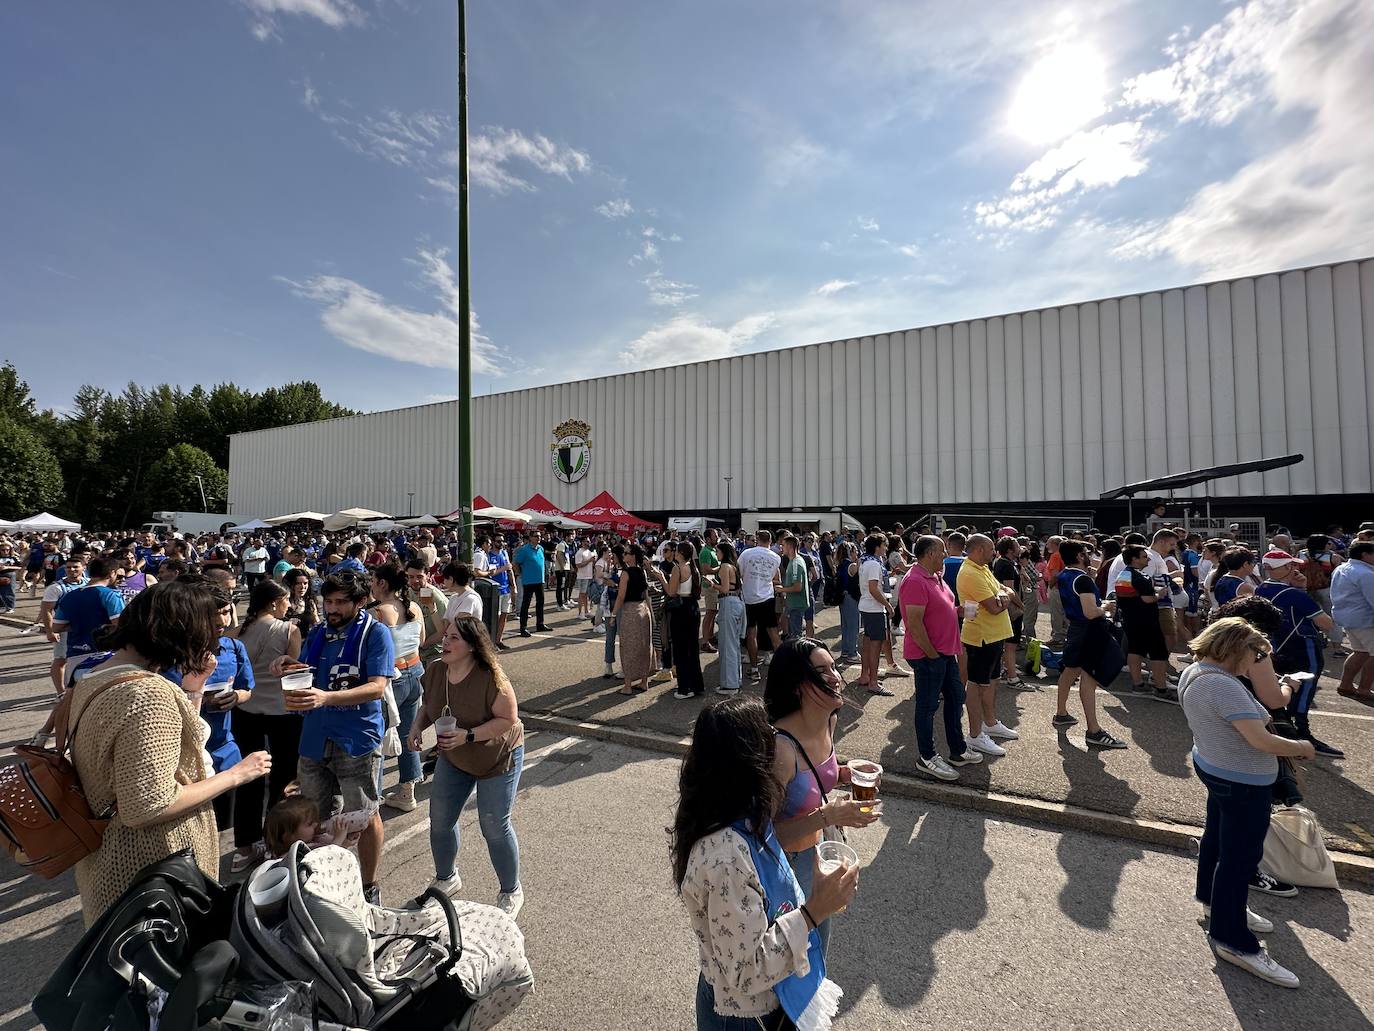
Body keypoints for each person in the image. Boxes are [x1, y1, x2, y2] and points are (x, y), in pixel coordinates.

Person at [68, 579, 271, 924]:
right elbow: (150, 805)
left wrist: (194, 689)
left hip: (115, 865)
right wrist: (237, 774)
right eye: (207, 632)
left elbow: (163, 749)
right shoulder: (148, 694)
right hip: (154, 873)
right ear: (180, 632)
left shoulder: (97, 676)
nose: (212, 644)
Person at [674, 696, 854, 1030]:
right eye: (767, 737)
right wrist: (815, 911)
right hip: (745, 1017)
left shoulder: (742, 811)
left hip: (770, 999)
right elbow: (747, 971)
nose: (777, 742)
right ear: (750, 758)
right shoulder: (724, 857)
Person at [1179, 617, 1316, 989]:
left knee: (1218, 839)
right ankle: (1233, 941)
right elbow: (1263, 740)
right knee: (1240, 859)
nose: (1258, 661)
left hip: (1214, 766)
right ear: (1235, 648)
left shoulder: (1195, 670)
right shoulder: (1223, 686)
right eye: (1257, 654)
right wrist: (1302, 748)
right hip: (1241, 778)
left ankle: (1213, 902)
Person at [271, 569, 394, 905]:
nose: (332, 609)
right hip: (313, 737)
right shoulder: (320, 632)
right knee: (314, 817)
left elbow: (377, 686)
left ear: (361, 602)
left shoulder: (376, 633)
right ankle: (324, 880)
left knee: (364, 814)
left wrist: (325, 698)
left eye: (341, 602)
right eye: (328, 601)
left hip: (355, 740)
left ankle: (369, 885)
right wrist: (289, 664)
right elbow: (309, 672)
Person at [765, 639, 876, 959]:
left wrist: (846, 772)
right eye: (822, 671)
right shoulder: (781, 749)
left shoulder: (829, 720)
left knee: (817, 954)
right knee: (787, 959)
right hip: (783, 868)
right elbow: (765, 835)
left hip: (819, 854)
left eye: (834, 667)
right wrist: (830, 815)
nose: (836, 676)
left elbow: (817, 778)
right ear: (798, 686)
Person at [408, 615, 525, 917]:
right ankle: (447, 878)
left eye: (454, 638)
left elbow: (508, 719)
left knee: (493, 824)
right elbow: (428, 706)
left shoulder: (491, 676)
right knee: (441, 819)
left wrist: (468, 735)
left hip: (497, 758)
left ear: (472, 646)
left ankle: (511, 890)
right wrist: (417, 727)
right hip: (455, 756)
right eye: (445, 635)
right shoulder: (436, 671)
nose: (445, 641)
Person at [233, 579, 304, 871]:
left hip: (245, 708)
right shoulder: (289, 629)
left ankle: (245, 846)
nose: (288, 605)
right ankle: (275, 841)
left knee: (248, 777)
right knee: (284, 776)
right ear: (275, 603)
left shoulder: (237, 630)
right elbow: (295, 671)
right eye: (285, 600)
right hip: (282, 710)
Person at [901, 535, 981, 780]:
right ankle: (927, 757)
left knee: (956, 697)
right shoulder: (914, 580)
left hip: (944, 654)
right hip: (929, 656)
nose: (946, 555)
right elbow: (914, 624)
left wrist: (958, 611)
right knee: (927, 707)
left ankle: (957, 750)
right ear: (930, 553)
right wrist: (933, 654)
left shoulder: (935, 577)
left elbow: (941, 609)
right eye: (943, 551)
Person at [1254, 550, 1341, 758]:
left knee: (1280, 687)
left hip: (1276, 647)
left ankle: (1281, 729)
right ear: (1285, 568)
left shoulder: (1260, 588)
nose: (1296, 569)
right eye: (1291, 566)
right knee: (1304, 690)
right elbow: (1326, 623)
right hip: (1303, 646)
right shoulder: (1293, 594)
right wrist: (1302, 591)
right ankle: (1301, 734)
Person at [1051, 541, 1129, 748]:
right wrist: (1105, 606)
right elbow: (1090, 611)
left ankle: (1061, 713)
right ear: (1078, 556)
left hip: (1077, 629)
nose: (1089, 555)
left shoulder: (1065, 575)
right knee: (1089, 678)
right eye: (1086, 553)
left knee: (1069, 672)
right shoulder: (1082, 579)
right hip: (1090, 630)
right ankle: (1093, 730)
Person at [372, 563, 427, 813]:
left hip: (391, 678)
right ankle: (407, 791)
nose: (371, 585)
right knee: (409, 733)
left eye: (373, 580)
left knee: (380, 736)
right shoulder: (414, 606)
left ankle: (374, 794)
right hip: (415, 671)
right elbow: (422, 639)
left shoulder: (378, 613)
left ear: (382, 583)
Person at [957, 535, 1018, 754]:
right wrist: (1005, 597)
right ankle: (974, 735)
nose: (995, 553)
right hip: (981, 637)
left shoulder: (982, 568)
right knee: (976, 685)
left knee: (992, 680)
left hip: (994, 635)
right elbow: (994, 606)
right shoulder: (970, 572)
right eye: (992, 549)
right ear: (981, 549)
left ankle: (990, 723)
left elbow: (1003, 590)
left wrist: (1004, 595)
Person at [1115, 545, 1173, 700]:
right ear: (1134, 559)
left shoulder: (1124, 574)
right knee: (1158, 653)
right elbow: (1147, 599)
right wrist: (1159, 594)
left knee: (1135, 650)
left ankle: (1138, 684)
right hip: (1146, 620)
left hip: (1130, 619)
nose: (1147, 558)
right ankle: (1161, 689)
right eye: (1144, 556)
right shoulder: (1139, 577)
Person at [1331, 540, 1374, 703]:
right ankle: (1364, 688)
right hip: (1365, 619)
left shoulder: (1341, 568)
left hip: (1347, 617)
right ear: (1365, 555)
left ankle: (1346, 684)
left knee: (1360, 652)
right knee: (1371, 654)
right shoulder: (1366, 574)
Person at [738, 530, 783, 680]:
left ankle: (754, 668)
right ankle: (781, 669)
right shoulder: (776, 557)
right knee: (773, 633)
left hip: (749, 598)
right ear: (770, 541)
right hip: (767, 597)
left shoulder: (746, 554)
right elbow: (775, 577)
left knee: (752, 633)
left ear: (757, 539)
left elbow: (740, 574)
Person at [614, 544, 657, 694]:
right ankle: (644, 682)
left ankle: (627, 685)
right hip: (644, 610)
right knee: (644, 646)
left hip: (630, 611)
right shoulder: (642, 571)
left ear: (632, 556)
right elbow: (646, 594)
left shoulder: (626, 573)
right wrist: (651, 613)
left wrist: (613, 614)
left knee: (628, 647)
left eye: (626, 553)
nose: (623, 555)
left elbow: (621, 596)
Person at [856, 534, 894, 695]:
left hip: (867, 606)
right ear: (877, 547)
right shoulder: (873, 564)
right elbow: (873, 589)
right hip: (874, 608)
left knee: (868, 642)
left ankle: (865, 676)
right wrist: (888, 605)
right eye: (884, 545)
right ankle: (873, 682)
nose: (886, 549)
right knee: (875, 646)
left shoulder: (866, 561)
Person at [669, 540, 706, 699]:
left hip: (681, 608)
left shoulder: (678, 568)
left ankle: (684, 688)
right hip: (693, 608)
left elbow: (671, 592)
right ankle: (696, 685)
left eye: (676, 550)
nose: (674, 553)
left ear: (682, 553)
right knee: (692, 648)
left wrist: (660, 577)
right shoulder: (693, 567)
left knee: (681, 649)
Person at [991, 536, 1026, 689]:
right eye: (1017, 545)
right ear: (1010, 550)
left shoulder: (1004, 562)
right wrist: (1021, 605)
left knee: (1006, 643)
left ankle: (1005, 670)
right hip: (1011, 610)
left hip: (1004, 608)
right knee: (1011, 644)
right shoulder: (1006, 565)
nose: (1020, 547)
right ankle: (1013, 678)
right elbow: (1009, 590)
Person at [710, 541, 745, 694]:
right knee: (733, 644)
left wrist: (712, 584)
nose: (716, 554)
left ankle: (730, 684)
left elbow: (724, 588)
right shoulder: (733, 567)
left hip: (728, 603)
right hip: (735, 603)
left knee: (727, 645)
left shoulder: (724, 567)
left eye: (718, 551)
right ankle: (734, 681)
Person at [513, 531, 551, 637]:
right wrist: (519, 573)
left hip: (539, 580)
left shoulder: (540, 548)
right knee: (526, 605)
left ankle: (540, 623)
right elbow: (516, 563)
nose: (538, 538)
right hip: (528, 581)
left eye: (539, 536)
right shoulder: (524, 550)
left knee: (540, 603)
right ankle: (523, 628)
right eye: (536, 536)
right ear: (530, 538)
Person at [779, 534, 811, 641]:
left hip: (796, 605)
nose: (781, 547)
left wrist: (781, 590)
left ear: (789, 547)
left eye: (783, 545)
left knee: (796, 636)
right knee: (794, 634)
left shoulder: (795, 563)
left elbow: (797, 587)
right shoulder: (794, 561)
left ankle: (798, 656)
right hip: (793, 604)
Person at [836, 541, 860, 664]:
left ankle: (846, 650)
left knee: (845, 625)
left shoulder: (841, 564)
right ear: (851, 552)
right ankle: (852, 653)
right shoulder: (851, 565)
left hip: (842, 597)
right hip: (851, 597)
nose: (857, 553)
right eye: (855, 551)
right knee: (853, 626)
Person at [698, 528, 721, 652]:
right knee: (710, 613)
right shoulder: (706, 551)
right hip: (709, 586)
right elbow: (706, 569)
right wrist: (721, 567)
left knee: (712, 612)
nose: (717, 537)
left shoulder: (711, 550)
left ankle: (710, 637)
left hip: (713, 585)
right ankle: (705, 642)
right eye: (715, 536)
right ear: (708, 539)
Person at [574, 538, 597, 619]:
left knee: (586, 595)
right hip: (582, 577)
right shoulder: (579, 553)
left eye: (589, 541)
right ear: (582, 542)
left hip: (589, 576)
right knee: (582, 594)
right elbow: (578, 565)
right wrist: (589, 560)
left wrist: (593, 560)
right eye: (587, 541)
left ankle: (586, 612)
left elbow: (592, 563)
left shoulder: (589, 552)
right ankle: (580, 613)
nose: (588, 543)